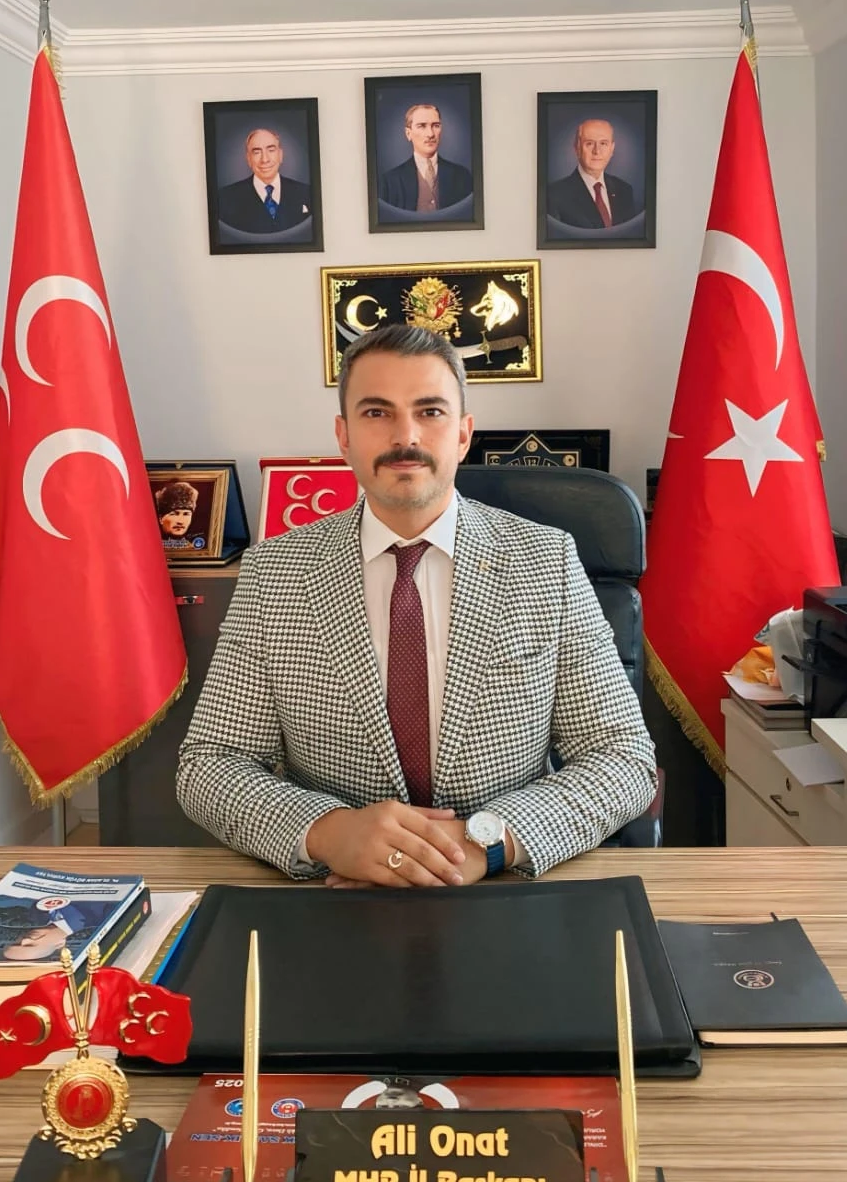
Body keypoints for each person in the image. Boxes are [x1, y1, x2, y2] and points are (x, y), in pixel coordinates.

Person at [176, 322, 656, 887]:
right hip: (336, 896)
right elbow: (210, 764)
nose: (406, 436)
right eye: (377, 412)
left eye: (430, 411)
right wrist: (328, 832)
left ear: (463, 434)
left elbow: (623, 756)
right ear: (344, 435)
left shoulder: (544, 562)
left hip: (503, 889)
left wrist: (484, 843)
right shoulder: (275, 573)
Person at [378, 103, 474, 214]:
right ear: (408, 133)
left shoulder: (462, 176)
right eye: (422, 126)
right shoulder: (390, 181)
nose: (430, 134)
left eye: (436, 125)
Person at [217, 127, 313, 234]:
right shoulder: (225, 198)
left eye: (271, 150)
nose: (265, 159)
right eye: (257, 152)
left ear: (280, 155)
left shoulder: (306, 193)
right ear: (248, 159)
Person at [546, 118, 637, 230]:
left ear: (612, 149)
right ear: (577, 148)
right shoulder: (555, 194)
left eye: (603, 143)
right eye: (589, 143)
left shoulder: (624, 190)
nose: (597, 151)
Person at [156, 480, 199, 548]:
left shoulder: (193, 549)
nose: (180, 521)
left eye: (186, 514)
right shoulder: (150, 546)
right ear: (160, 518)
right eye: (174, 514)